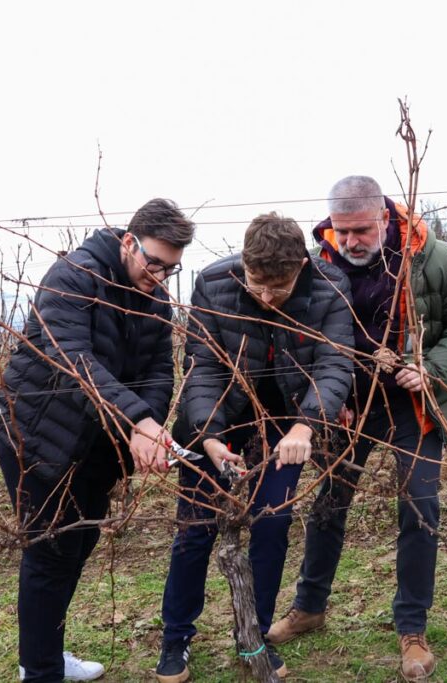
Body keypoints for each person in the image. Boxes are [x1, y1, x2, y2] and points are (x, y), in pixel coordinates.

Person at [267, 175, 447, 681]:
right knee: (328, 504)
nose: (350, 241)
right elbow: (303, 338)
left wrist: (432, 368)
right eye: (342, 231)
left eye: (361, 230)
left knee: (419, 506)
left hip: (414, 405)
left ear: (385, 218)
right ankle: (309, 607)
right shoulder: (318, 266)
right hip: (348, 407)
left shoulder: (433, 260)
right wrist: (328, 399)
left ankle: (412, 628)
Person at [0, 198, 193, 682]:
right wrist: (137, 421)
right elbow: (73, 362)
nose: (160, 276)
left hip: (99, 444)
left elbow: (159, 370)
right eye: (154, 263)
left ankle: (47, 654)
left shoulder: (154, 296)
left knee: (78, 546)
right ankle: (39, 672)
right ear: (129, 242)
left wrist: (147, 426)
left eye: (171, 269)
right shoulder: (72, 277)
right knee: (48, 553)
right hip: (37, 436)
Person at [155, 213, 354, 683]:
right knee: (195, 529)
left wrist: (306, 426)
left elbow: (334, 365)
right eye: (256, 284)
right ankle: (175, 638)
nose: (265, 297)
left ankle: (254, 635)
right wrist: (208, 436)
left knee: (273, 522)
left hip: (287, 425)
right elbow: (203, 366)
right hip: (219, 419)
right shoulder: (213, 284)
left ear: (301, 267)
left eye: (278, 289)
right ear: (243, 263)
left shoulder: (330, 287)